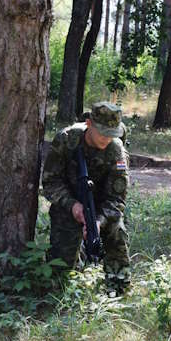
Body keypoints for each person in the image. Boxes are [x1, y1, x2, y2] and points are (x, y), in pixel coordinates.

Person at [41, 102, 130, 296]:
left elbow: (117, 199)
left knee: (117, 233)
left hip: (101, 209)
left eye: (112, 133)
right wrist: (72, 206)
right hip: (68, 205)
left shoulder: (117, 151)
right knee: (62, 268)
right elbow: (50, 181)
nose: (108, 138)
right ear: (89, 124)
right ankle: (64, 292)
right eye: (103, 132)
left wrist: (98, 221)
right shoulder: (66, 141)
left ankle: (117, 288)